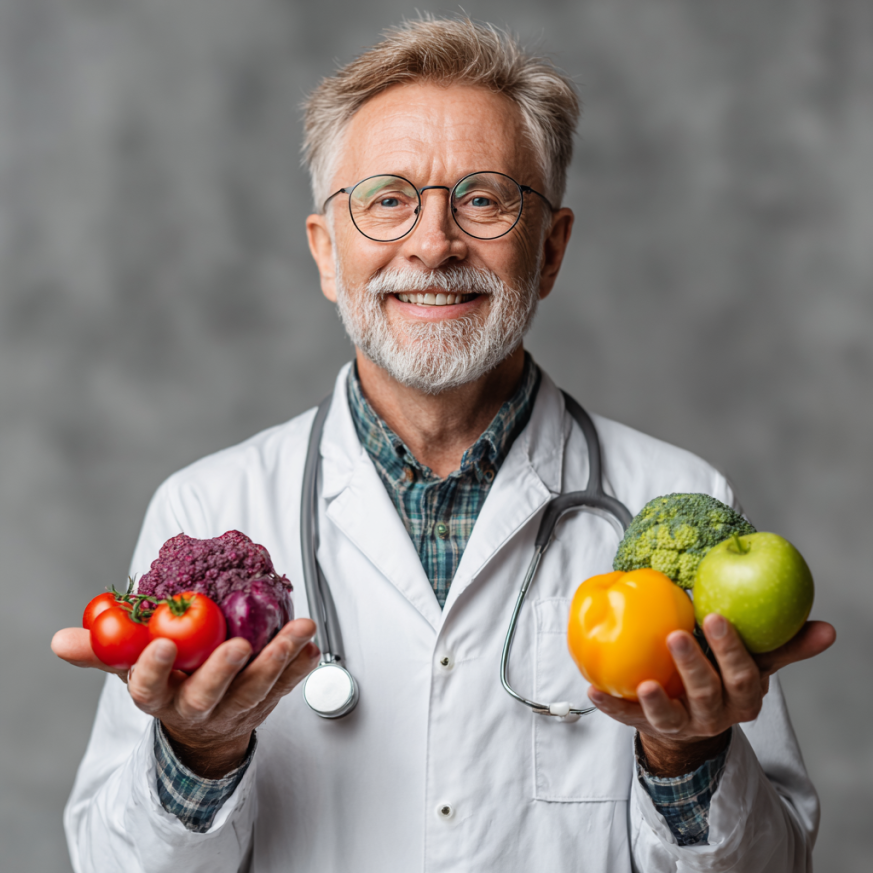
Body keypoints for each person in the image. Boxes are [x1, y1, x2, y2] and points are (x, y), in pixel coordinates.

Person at [53, 16, 836, 873]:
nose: (432, 244)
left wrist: (686, 759)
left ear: (550, 251)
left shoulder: (680, 498)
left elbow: (775, 864)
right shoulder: (206, 509)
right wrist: (196, 755)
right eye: (387, 200)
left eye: (483, 198)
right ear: (326, 252)